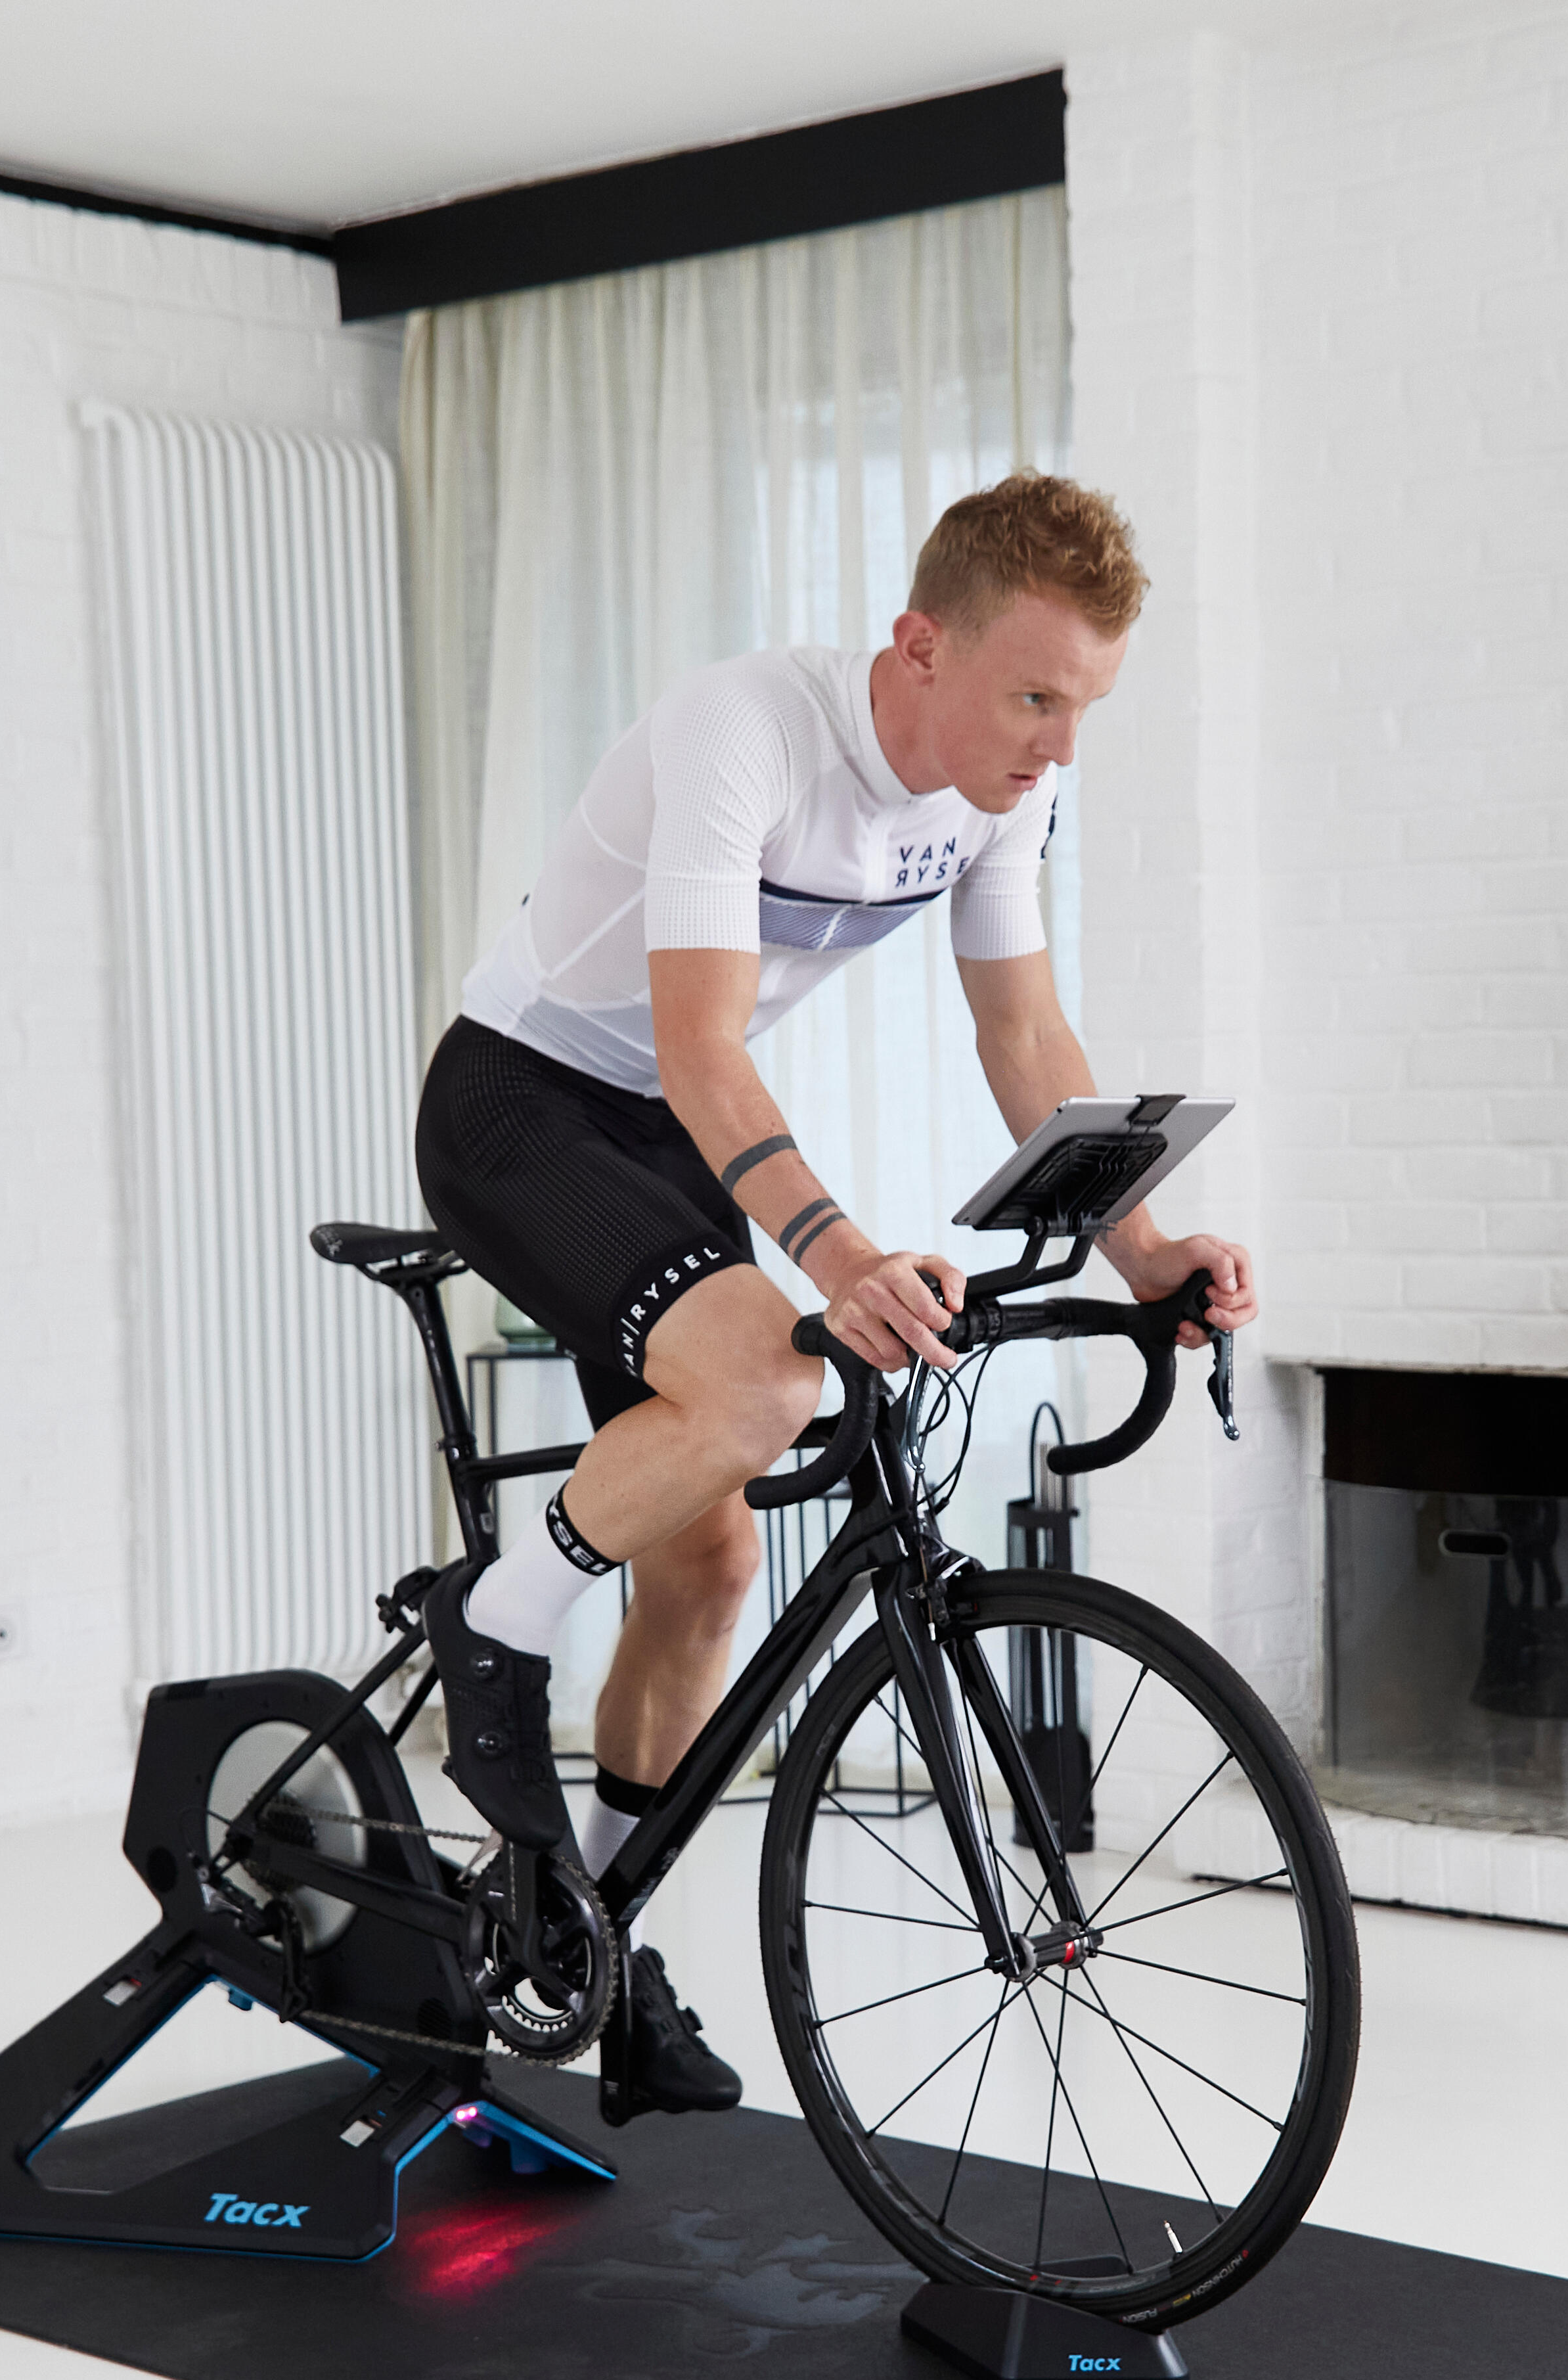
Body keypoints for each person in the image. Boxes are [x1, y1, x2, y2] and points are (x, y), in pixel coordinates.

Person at [413, 471, 1260, 2126]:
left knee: (713, 1562)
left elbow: (1025, 1037)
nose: (1058, 747)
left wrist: (1144, 1250)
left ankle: (590, 1939)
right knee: (768, 1385)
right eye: (1034, 698)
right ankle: (495, 1619)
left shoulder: (999, 795)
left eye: (1084, 708)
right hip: (523, 1102)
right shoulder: (745, 733)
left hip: (666, 1130)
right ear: (920, 646)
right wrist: (842, 1252)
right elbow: (700, 1044)